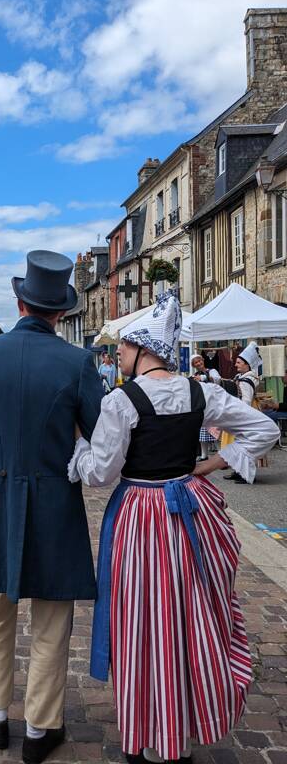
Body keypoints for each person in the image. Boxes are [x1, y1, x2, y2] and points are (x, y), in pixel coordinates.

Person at [67, 293, 279, 764]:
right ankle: (178, 729)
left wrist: (81, 448)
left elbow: (101, 475)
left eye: (122, 347)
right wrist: (208, 465)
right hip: (190, 512)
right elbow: (264, 431)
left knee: (141, 622)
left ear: (143, 350)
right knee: (186, 619)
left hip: (141, 517)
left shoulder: (121, 401)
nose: (116, 354)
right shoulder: (200, 391)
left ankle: (145, 734)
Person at [0, 250, 103, 764]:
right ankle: (39, 727)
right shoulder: (79, 363)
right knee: (53, 616)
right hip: (55, 496)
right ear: (61, 311)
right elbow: (100, 435)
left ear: (19, 302)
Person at [223, 341, 263, 484]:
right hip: (248, 412)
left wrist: (239, 415)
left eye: (239, 362)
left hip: (247, 414)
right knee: (239, 443)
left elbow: (246, 401)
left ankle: (245, 474)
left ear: (247, 365)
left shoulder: (246, 380)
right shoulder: (244, 377)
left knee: (246, 445)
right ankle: (238, 471)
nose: (236, 365)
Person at [190, 353, 221, 460]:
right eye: (196, 363)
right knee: (202, 431)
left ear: (203, 360)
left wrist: (203, 377)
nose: (198, 363)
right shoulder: (194, 376)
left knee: (216, 431)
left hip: (214, 404)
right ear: (193, 365)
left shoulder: (212, 371)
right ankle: (204, 455)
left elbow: (218, 380)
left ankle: (222, 456)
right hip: (203, 405)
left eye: (199, 361)